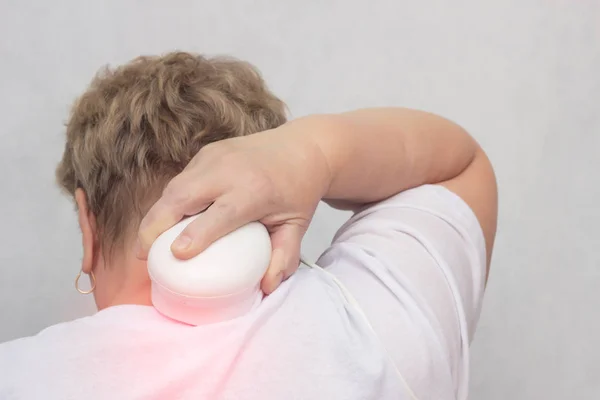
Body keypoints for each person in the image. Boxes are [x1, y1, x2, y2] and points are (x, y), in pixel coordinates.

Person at [0, 52, 497, 400]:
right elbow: (460, 164)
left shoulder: (18, 380)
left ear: (88, 225)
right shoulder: (379, 328)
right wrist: (313, 152)